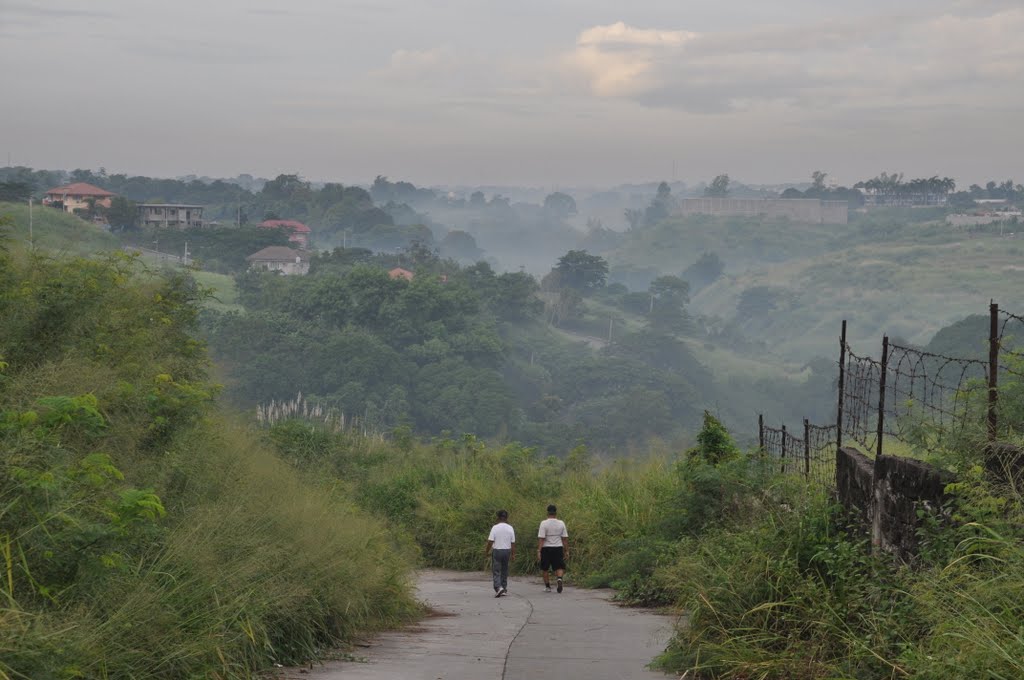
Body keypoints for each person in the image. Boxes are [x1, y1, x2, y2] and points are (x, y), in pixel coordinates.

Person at [537, 504, 569, 593]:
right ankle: (559, 579)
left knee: (545, 568)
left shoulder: (544, 523)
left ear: (547, 513)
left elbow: (541, 539)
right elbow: (565, 538)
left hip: (546, 548)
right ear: (555, 513)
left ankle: (547, 587)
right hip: (558, 547)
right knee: (559, 566)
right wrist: (566, 550)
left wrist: (539, 551)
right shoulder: (561, 523)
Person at [486, 509, 515, 597]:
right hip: (507, 551)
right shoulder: (510, 528)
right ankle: (504, 589)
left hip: (497, 551)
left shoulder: (495, 527)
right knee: (504, 570)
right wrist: (513, 554)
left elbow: (490, 541)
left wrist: (487, 551)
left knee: (496, 570)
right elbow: (513, 543)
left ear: (498, 518)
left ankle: (498, 588)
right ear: (506, 518)